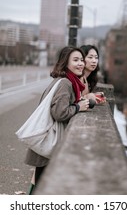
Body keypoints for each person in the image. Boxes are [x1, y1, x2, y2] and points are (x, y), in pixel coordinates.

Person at [25, 46, 90, 193]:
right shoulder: (66, 83)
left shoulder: (64, 80)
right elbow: (59, 113)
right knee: (43, 188)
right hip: (50, 143)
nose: (80, 63)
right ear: (65, 63)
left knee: (40, 186)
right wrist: (78, 107)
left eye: (81, 60)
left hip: (47, 142)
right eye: (75, 60)